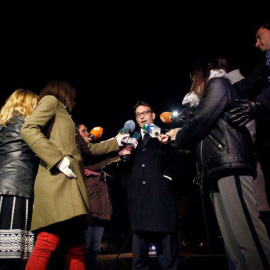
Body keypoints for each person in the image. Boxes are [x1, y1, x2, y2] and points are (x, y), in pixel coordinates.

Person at [159, 56, 270, 269]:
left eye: (193, 76)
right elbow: (197, 124)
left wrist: (179, 136)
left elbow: (201, 121)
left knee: (248, 235)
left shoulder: (219, 84)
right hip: (214, 169)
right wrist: (177, 134)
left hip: (230, 164)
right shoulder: (204, 97)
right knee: (233, 242)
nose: (192, 81)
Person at [20, 80, 129, 270]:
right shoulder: (51, 101)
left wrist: (116, 141)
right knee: (47, 243)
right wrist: (57, 159)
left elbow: (90, 149)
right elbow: (28, 129)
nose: (74, 102)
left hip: (74, 188)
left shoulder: (68, 118)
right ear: (64, 93)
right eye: (73, 98)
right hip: (57, 183)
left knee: (77, 247)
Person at [122, 100, 181, 270]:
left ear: (153, 115)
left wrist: (168, 179)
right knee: (139, 256)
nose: (142, 117)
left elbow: (178, 160)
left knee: (169, 253)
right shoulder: (131, 139)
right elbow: (124, 170)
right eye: (138, 115)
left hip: (161, 198)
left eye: (145, 113)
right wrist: (129, 186)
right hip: (138, 200)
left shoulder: (166, 134)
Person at [77, 123, 130, 270]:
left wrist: (100, 171)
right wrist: (116, 155)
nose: (88, 133)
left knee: (94, 249)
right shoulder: (81, 150)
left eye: (87, 130)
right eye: (84, 131)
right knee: (84, 247)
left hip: (102, 206)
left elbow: (109, 174)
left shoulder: (97, 151)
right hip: (88, 206)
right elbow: (86, 168)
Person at [0, 89, 39, 270]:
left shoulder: (3, 124)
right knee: (14, 254)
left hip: (3, 186)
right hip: (19, 187)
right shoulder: (26, 123)